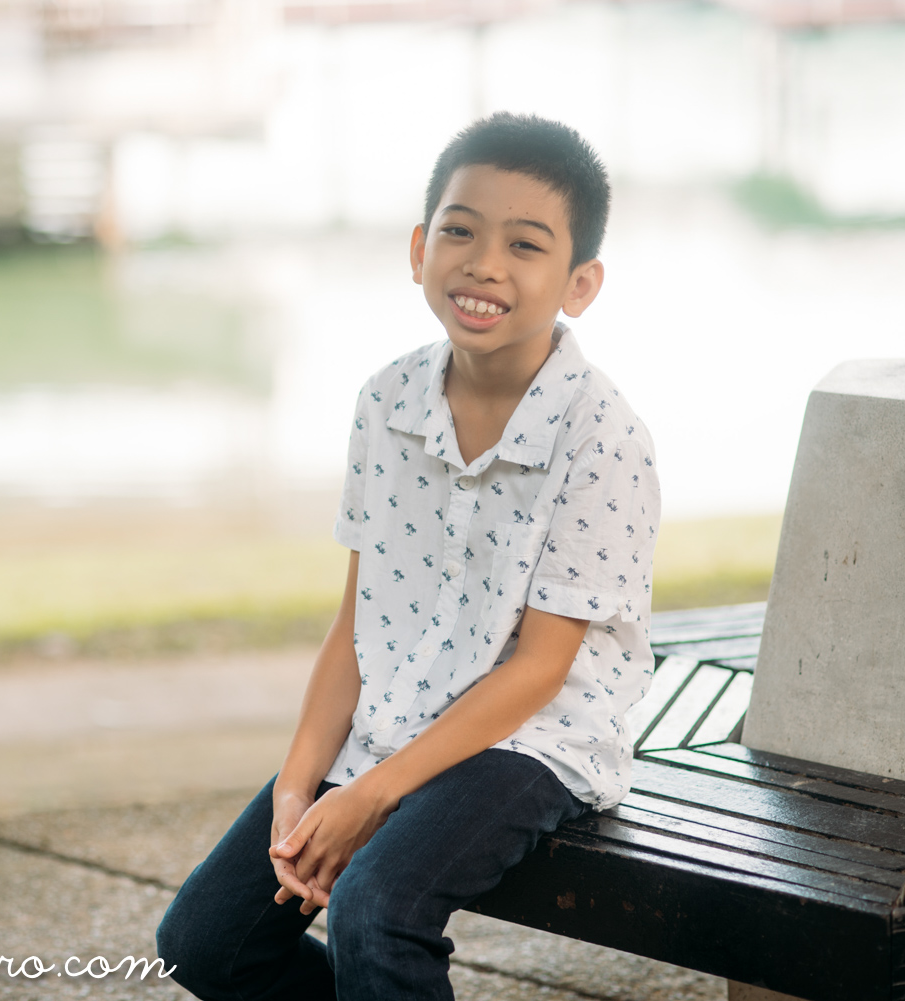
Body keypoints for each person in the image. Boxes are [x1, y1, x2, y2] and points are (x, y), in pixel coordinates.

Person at [156, 112, 661, 1001]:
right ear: (421, 247)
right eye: (460, 232)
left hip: (532, 736)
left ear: (580, 283)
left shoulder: (603, 437)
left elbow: (541, 669)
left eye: (525, 244)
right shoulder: (386, 401)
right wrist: (298, 787)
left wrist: (369, 794)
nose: (485, 264)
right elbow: (356, 624)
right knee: (207, 940)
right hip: (396, 708)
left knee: (376, 909)